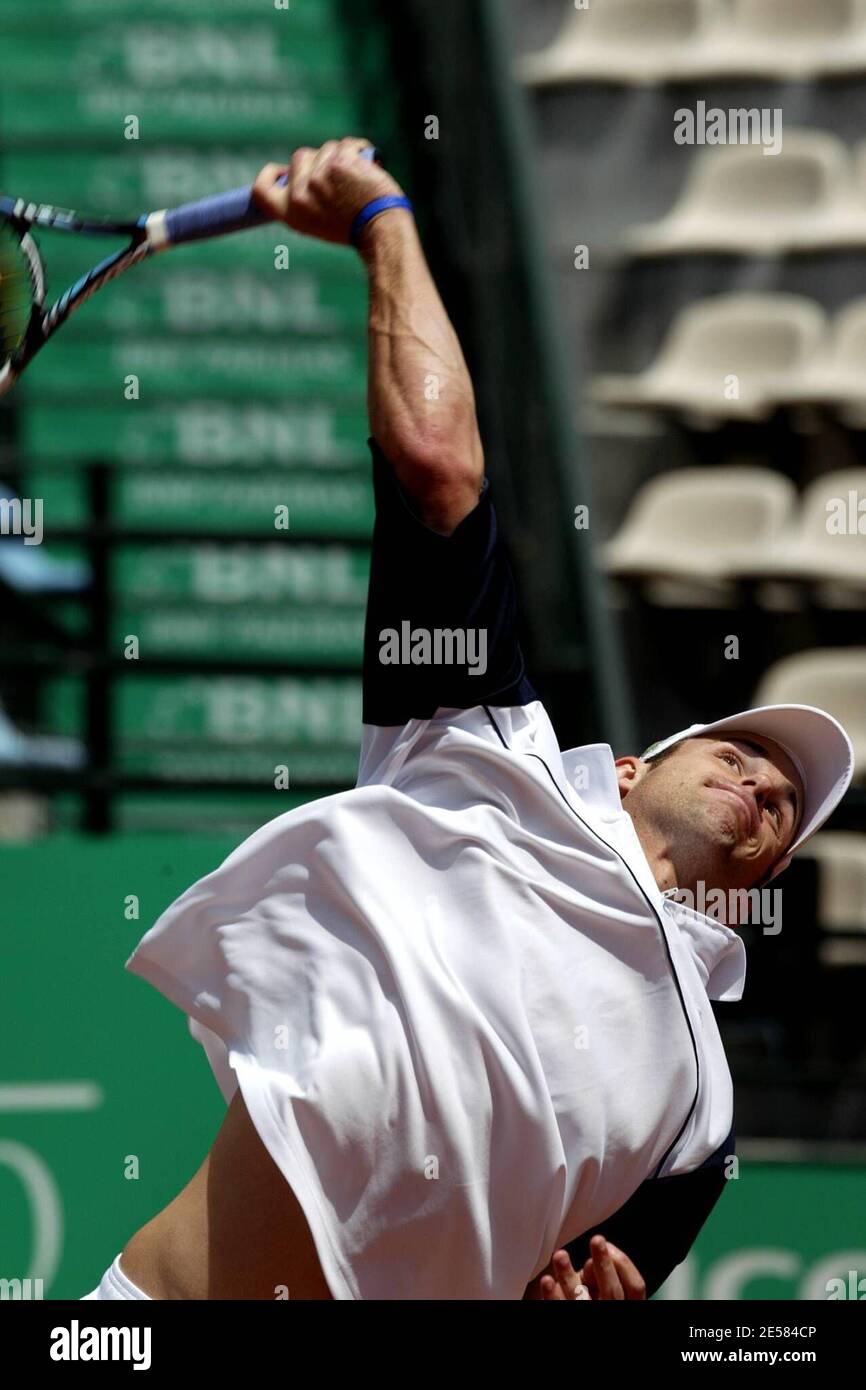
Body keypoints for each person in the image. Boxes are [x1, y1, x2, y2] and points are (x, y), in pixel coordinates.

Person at [81, 138, 854, 1302]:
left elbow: (609, 1286)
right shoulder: (482, 741)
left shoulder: (700, 1110)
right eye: (740, 747)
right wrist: (380, 215)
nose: (762, 782)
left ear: (766, 872)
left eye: (785, 805)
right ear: (633, 764)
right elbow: (437, 461)